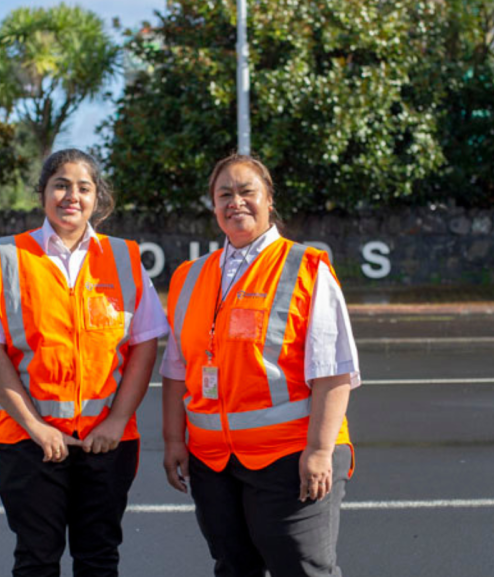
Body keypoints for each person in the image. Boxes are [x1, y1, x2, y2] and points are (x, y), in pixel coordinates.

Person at [0, 149, 168, 577]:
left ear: (97, 198)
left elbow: (145, 345)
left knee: (99, 560)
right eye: (61, 185)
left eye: (83, 188)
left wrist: (116, 421)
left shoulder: (125, 258)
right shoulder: (7, 258)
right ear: (43, 194)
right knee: (36, 560)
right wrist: (36, 427)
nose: (71, 196)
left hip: (107, 444)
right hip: (29, 443)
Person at [161, 154, 361, 577]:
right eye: (224, 194)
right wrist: (174, 441)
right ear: (213, 206)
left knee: (302, 570)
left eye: (247, 191)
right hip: (213, 463)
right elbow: (177, 369)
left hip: (289, 458)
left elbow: (335, 370)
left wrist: (320, 451)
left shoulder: (307, 267)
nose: (236, 202)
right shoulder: (188, 276)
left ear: (269, 200)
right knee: (234, 568)